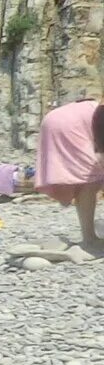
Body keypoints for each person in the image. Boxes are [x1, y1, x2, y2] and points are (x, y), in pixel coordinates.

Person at [36, 97, 104, 257]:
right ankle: (89, 239)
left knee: (88, 179)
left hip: (55, 120)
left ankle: (89, 236)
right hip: (69, 125)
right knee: (90, 180)